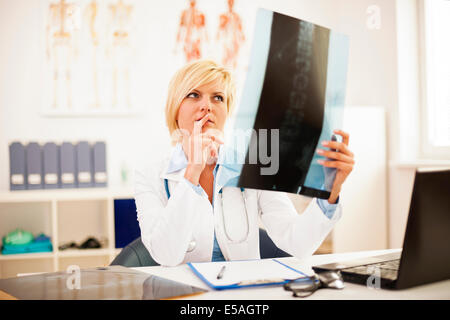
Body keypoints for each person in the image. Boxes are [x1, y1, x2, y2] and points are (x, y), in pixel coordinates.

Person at [135, 60, 355, 267]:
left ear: (227, 111)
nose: (207, 106)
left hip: (243, 294)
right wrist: (192, 171)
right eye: (194, 95)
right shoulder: (149, 175)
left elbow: (297, 243)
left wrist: (330, 190)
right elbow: (165, 254)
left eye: (218, 98)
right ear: (175, 110)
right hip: (184, 295)